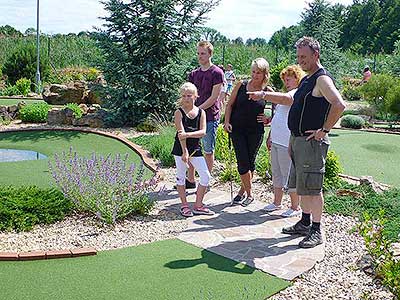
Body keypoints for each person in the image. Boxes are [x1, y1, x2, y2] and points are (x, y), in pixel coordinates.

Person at [248, 36, 346, 248]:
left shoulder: (322, 79)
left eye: (304, 56)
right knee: (302, 186)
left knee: (312, 187)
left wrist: (324, 130)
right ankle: (304, 222)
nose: (300, 60)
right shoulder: (307, 79)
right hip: (298, 139)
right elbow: (291, 101)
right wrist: (265, 95)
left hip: (312, 142)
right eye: (298, 56)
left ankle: (316, 230)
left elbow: (339, 105)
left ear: (315, 55)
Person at [223, 58, 271, 206]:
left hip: (256, 131)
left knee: (250, 163)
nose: (255, 75)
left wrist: (268, 119)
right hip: (237, 129)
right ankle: (250, 195)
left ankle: (241, 192)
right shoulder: (241, 85)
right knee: (242, 162)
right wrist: (226, 122)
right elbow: (230, 105)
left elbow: (281, 109)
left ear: (264, 74)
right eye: (253, 72)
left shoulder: (267, 91)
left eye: (259, 72)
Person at [263, 65, 305, 218]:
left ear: (297, 78)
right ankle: (277, 202)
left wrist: (265, 94)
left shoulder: (296, 94)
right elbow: (277, 117)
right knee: (277, 173)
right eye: (285, 80)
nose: (286, 82)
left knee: (289, 174)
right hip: (276, 140)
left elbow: (286, 101)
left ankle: (295, 207)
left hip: (286, 141)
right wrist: (270, 136)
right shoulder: (286, 94)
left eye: (289, 79)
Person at [171, 82, 214, 217]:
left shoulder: (201, 112)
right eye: (184, 96)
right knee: (181, 176)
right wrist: (184, 152)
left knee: (205, 176)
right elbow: (180, 134)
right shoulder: (179, 113)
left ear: (195, 96)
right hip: (181, 149)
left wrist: (189, 135)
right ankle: (184, 205)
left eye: (189, 95)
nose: (186, 98)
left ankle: (198, 204)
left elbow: (202, 132)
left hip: (195, 148)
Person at [186, 41, 225, 189]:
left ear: (210, 54)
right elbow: (189, 95)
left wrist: (198, 110)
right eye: (198, 53)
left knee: (208, 150)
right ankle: (190, 179)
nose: (200, 56)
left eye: (203, 53)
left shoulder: (217, 73)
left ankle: (205, 180)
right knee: (192, 149)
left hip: (209, 117)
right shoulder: (193, 74)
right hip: (193, 117)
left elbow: (214, 97)